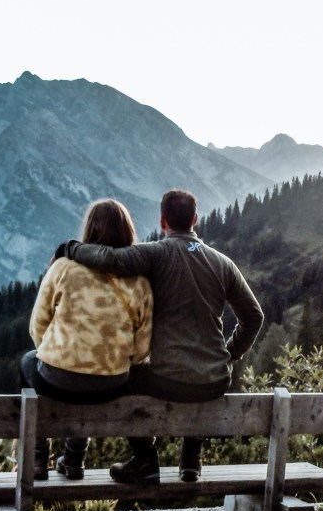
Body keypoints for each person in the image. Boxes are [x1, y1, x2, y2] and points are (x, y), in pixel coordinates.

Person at [61, 188, 264, 484]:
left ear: (162, 221)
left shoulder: (156, 254)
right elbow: (254, 316)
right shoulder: (223, 263)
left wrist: (70, 248)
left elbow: (108, 257)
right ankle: (191, 459)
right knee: (194, 376)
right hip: (215, 381)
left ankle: (145, 459)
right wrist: (231, 353)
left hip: (168, 379)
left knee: (124, 377)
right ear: (195, 219)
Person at [21, 198, 153, 481]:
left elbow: (38, 327)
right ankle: (73, 460)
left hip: (57, 379)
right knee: (90, 383)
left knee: (28, 363)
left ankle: (37, 459)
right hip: (112, 384)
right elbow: (142, 349)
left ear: (90, 229)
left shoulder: (63, 268)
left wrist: (58, 354)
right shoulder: (139, 280)